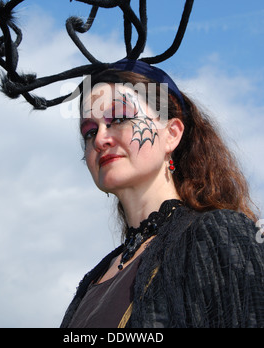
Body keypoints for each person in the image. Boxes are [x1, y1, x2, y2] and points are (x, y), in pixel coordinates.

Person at [60, 60, 264, 329]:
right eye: (90, 131)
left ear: (171, 134)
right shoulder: (93, 279)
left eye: (119, 118)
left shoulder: (221, 234)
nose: (100, 139)